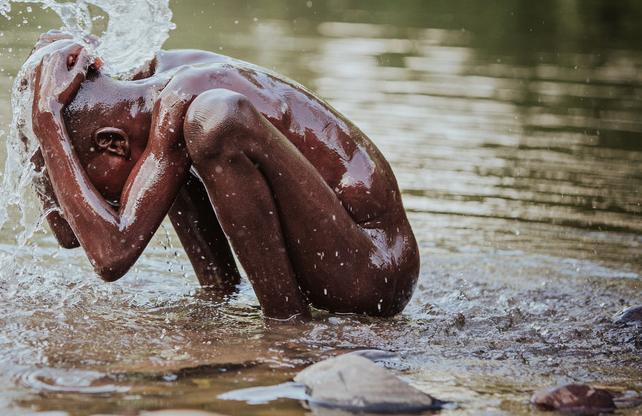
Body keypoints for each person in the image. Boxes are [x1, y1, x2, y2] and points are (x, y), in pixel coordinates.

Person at [26, 29, 419, 321]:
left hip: (372, 272)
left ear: (112, 144)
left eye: (84, 169)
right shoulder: (147, 91)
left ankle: (287, 328)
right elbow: (67, 233)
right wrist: (32, 95)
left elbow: (111, 257)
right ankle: (219, 294)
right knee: (167, 145)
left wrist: (48, 121)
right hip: (331, 256)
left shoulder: (184, 92)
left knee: (213, 119)